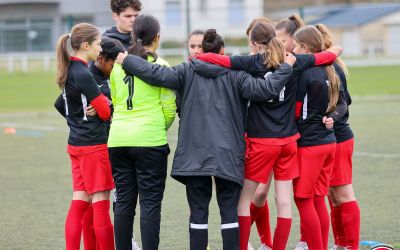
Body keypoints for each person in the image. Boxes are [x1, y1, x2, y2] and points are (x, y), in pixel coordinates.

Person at [116, 28, 296, 250]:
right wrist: (286, 67)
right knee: (229, 212)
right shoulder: (237, 75)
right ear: (222, 50)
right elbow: (267, 89)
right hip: (227, 154)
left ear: (203, 51)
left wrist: (127, 60)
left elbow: (157, 74)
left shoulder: (186, 70)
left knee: (198, 213)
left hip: (194, 155)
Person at [195, 22, 340, 250]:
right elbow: (332, 54)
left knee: (244, 201)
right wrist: (328, 52)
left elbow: (216, 60)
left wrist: (197, 57)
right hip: (288, 142)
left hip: (261, 142)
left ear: (254, 44)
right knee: (284, 203)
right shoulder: (293, 60)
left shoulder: (252, 61)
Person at [107, 14, 176, 250]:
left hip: (118, 140)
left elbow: (116, 102)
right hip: (149, 141)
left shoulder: (117, 68)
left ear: (133, 36)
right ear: (157, 38)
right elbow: (168, 110)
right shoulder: (162, 66)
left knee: (124, 203)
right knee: (150, 204)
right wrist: (157, 128)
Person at [54, 36, 125, 250]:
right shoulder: (84, 73)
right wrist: (102, 106)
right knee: (101, 204)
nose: (100, 48)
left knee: (80, 202)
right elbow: (104, 111)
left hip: (77, 144)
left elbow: (64, 104)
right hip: (93, 145)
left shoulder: (70, 69)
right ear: (86, 46)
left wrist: (78, 119)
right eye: (97, 44)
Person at [293, 25, 341, 250]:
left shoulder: (304, 73)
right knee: (318, 199)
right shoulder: (327, 69)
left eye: (294, 45)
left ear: (304, 47)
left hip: (310, 145)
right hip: (328, 142)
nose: (291, 49)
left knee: (303, 199)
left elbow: (297, 110)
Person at [315, 24, 360, 250]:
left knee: (343, 193)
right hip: (328, 139)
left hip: (340, 137)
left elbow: (345, 102)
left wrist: (331, 115)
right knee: (332, 196)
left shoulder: (331, 67)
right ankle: (340, 243)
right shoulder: (319, 66)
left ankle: (351, 246)